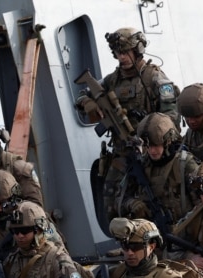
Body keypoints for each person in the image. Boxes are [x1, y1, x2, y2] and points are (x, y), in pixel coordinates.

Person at [75, 27, 179, 223]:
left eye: (125, 52)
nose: (121, 57)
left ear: (138, 49)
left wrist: (153, 141)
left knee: (151, 198)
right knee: (111, 198)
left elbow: (171, 117)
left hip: (150, 151)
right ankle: (125, 240)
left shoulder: (154, 78)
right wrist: (89, 103)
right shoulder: (112, 80)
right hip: (122, 151)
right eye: (117, 53)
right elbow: (82, 95)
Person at [118, 112, 199, 230]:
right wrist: (132, 203)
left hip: (185, 234)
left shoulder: (184, 164)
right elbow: (120, 200)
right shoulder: (141, 165)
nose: (151, 150)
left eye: (156, 145)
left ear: (168, 141)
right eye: (148, 145)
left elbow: (202, 203)